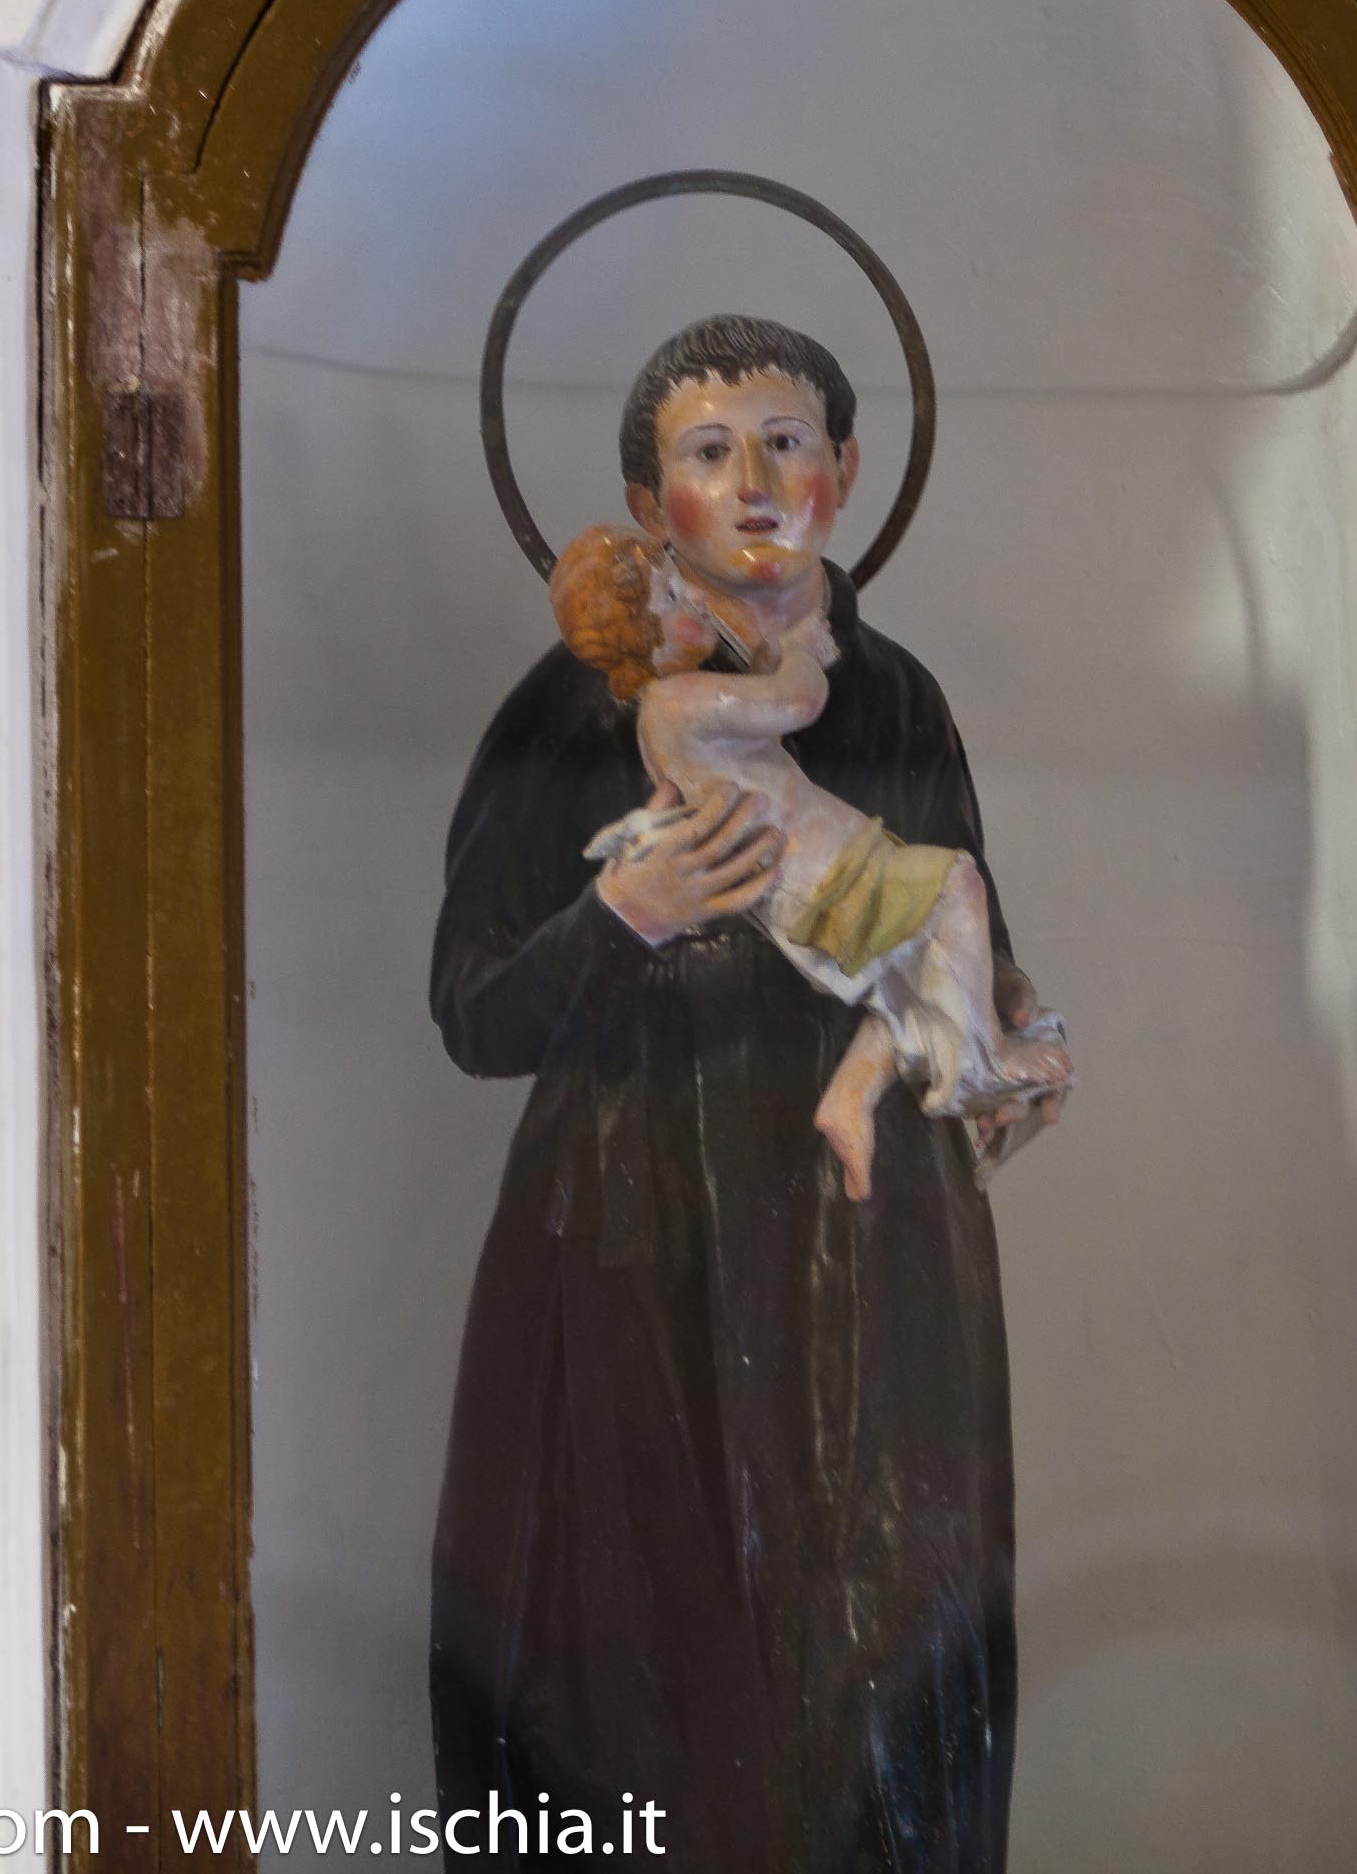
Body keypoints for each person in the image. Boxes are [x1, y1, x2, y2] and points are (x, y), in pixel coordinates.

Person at [429, 314, 1068, 1871]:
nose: (759, 483)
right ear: (648, 505)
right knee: (642, 1641)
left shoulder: (896, 697)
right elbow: (473, 1009)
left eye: (788, 445)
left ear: (846, 468)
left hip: (865, 1245)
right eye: (710, 455)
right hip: (634, 1227)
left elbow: (957, 911)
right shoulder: (577, 709)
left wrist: (1004, 1020)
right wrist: (620, 918)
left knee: (874, 1633)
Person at [547, 524, 1071, 1201]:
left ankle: (851, 1097)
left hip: (829, 872)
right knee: (956, 884)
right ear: (644, 637)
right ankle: (987, 1058)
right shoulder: (676, 702)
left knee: (913, 969)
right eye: (673, 596)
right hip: (824, 879)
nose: (695, 600)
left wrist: (769, 660)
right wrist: (798, 653)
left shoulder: (678, 708)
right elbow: (799, 703)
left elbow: (750, 732)